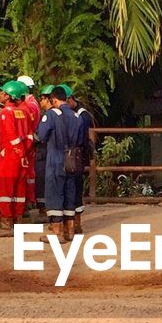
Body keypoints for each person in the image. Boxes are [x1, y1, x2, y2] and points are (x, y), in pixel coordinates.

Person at [36, 85, 78, 240]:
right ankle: (70, 231)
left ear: (53, 99)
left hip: (55, 159)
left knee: (54, 194)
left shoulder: (52, 114)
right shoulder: (76, 116)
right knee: (69, 193)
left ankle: (57, 233)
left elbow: (41, 135)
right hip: (72, 160)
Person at [0, 81, 33, 235]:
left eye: (4, 93)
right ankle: (18, 220)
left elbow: (10, 135)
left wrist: (16, 151)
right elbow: (29, 135)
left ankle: (6, 224)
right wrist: (24, 152)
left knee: (5, 189)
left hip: (10, 155)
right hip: (22, 155)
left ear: (10, 96)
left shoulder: (6, 112)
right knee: (19, 189)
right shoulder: (23, 112)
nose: (1, 95)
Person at [66, 84, 94, 237]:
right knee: (74, 190)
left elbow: (81, 138)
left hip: (76, 157)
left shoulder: (82, 115)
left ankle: (75, 224)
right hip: (76, 156)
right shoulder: (76, 114)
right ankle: (74, 224)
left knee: (75, 190)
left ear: (70, 99)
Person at [16, 75, 40, 218]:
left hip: (26, 143)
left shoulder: (28, 106)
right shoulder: (33, 103)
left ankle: (27, 202)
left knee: (26, 174)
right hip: (29, 142)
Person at [33, 85, 54, 221]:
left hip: (44, 152)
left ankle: (44, 211)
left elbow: (40, 136)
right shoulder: (63, 114)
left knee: (42, 181)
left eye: (42, 99)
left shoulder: (48, 116)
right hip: (52, 153)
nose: (40, 102)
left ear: (48, 99)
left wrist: (28, 137)